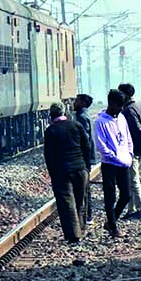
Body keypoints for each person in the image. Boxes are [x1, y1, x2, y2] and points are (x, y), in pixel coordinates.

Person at [43, 102, 92, 252]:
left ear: (51, 115)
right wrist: (85, 165)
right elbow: (87, 146)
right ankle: (81, 230)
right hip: (80, 169)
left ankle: (74, 236)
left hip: (62, 172)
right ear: (65, 112)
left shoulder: (51, 131)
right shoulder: (76, 125)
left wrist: (53, 173)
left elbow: (49, 155)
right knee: (80, 201)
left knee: (67, 204)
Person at [93, 90, 134, 235]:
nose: (121, 109)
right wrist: (113, 156)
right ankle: (113, 227)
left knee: (126, 195)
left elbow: (128, 137)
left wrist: (129, 154)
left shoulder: (121, 118)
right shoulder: (100, 122)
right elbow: (101, 145)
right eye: (119, 105)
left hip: (124, 163)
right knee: (110, 196)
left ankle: (111, 221)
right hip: (110, 164)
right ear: (111, 104)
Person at [118, 83, 141, 220]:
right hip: (135, 149)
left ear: (125, 94)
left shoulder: (129, 111)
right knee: (130, 180)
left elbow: (139, 131)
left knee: (134, 180)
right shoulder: (135, 106)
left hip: (133, 151)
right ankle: (131, 210)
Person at [73, 93, 96, 226]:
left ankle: (87, 215)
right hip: (87, 156)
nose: (74, 103)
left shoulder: (81, 117)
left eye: (76, 100)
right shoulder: (85, 115)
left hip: (84, 157)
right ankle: (87, 215)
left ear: (82, 103)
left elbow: (84, 139)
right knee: (85, 186)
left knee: (84, 187)